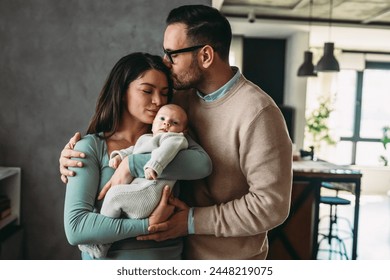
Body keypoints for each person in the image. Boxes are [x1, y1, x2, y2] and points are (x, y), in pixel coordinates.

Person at [60, 5, 292, 260]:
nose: (165, 63)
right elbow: (124, 136)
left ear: (205, 56)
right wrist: (74, 157)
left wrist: (190, 220)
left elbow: (271, 206)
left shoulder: (258, 113)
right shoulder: (176, 99)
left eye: (172, 55)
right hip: (174, 255)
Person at [63, 52, 212, 260]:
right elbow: (77, 229)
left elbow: (202, 165)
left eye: (164, 93)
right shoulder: (91, 147)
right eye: (147, 91)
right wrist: (147, 225)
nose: (158, 101)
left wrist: (132, 164)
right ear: (123, 91)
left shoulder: (169, 136)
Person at [79, 104, 190, 258]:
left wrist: (154, 165)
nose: (167, 123)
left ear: (183, 131)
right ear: (153, 124)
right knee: (114, 198)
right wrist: (119, 156)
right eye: (162, 119)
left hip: (151, 192)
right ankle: (101, 235)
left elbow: (166, 151)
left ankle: (101, 244)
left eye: (174, 122)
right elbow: (133, 151)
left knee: (115, 195)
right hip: (140, 191)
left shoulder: (175, 139)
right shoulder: (146, 139)